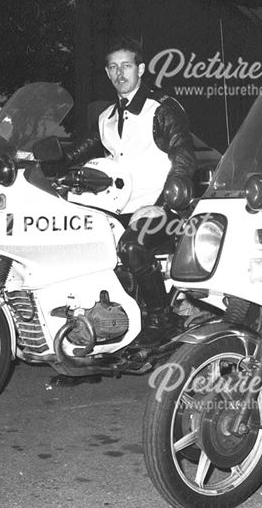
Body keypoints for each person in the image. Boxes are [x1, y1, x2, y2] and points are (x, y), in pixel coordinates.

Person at [42, 37, 195, 344]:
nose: (119, 73)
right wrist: (41, 163)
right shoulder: (107, 118)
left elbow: (183, 157)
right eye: (113, 67)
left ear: (140, 69)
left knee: (132, 247)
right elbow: (80, 152)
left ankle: (161, 318)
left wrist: (164, 204)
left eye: (126, 66)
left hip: (163, 210)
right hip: (117, 208)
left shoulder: (161, 109)